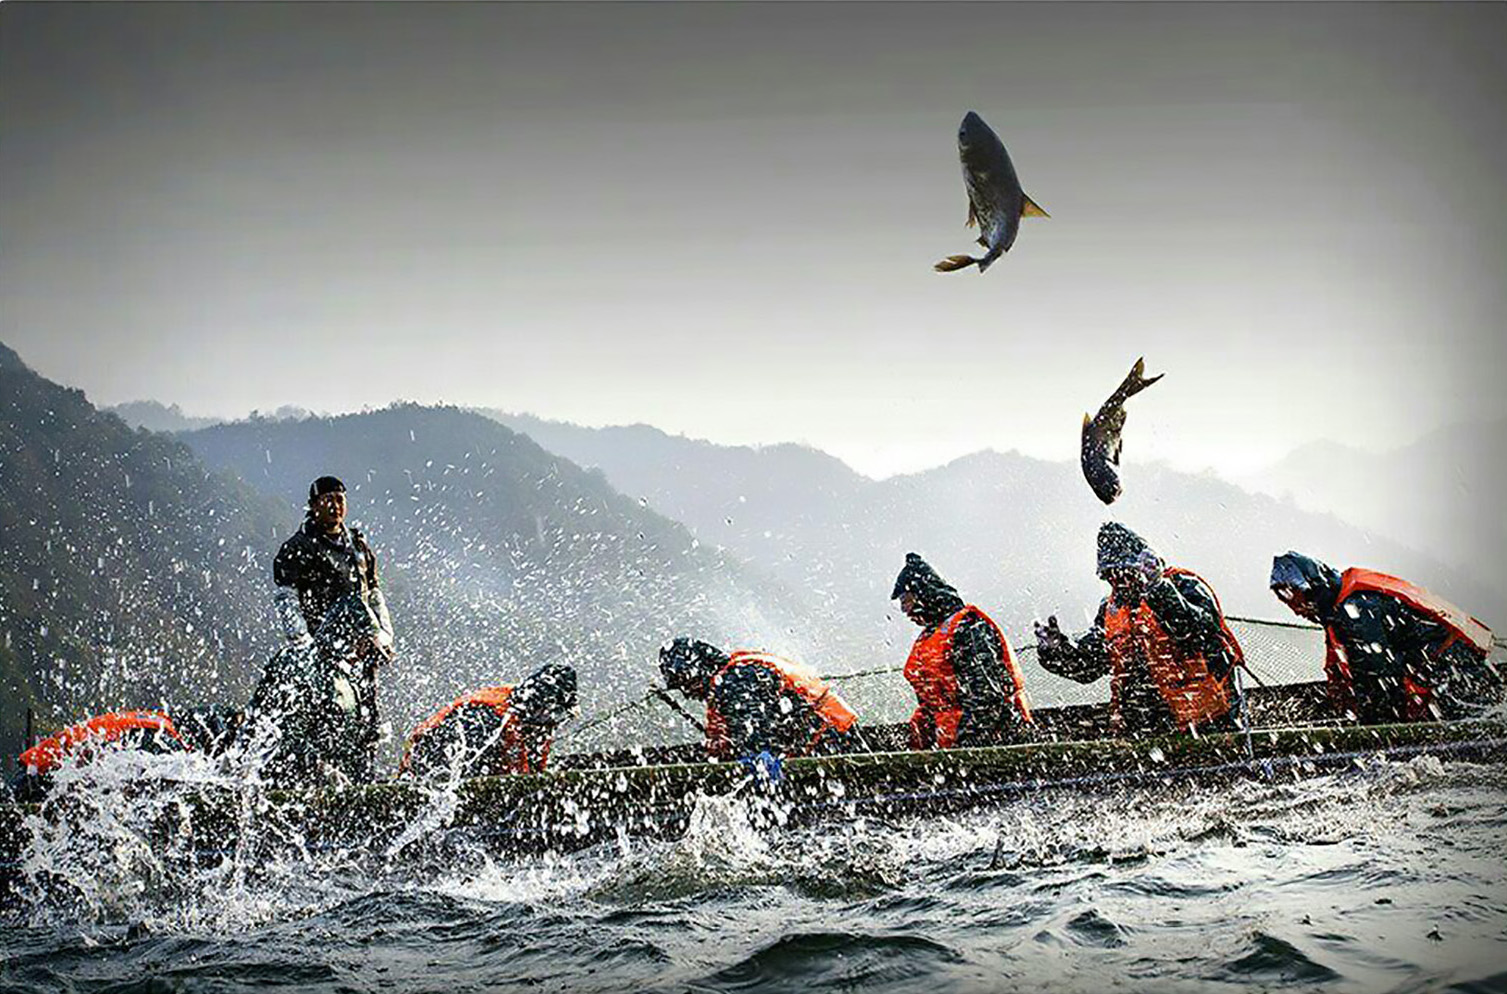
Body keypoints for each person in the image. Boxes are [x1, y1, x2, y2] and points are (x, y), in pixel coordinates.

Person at [1034, 523, 1245, 737]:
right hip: (1145, 731)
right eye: (1111, 577)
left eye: (1125, 574)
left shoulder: (1184, 586)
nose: (1120, 583)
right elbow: (1090, 666)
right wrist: (1058, 650)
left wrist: (1159, 589)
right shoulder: (1110, 611)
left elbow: (1199, 632)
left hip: (1211, 723)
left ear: (1142, 568)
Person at [1269, 552, 1499, 723]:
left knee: (1479, 731)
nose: (1296, 611)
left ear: (1314, 587)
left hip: (1457, 676)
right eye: (1287, 602)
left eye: (1296, 599)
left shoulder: (1357, 610)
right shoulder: (1343, 607)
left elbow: (1380, 677)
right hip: (1453, 673)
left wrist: (1373, 729)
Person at [270, 475, 393, 780]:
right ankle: (320, 776)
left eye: (340, 499)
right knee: (328, 714)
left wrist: (385, 635)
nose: (335, 506)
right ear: (313, 506)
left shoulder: (358, 546)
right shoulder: (299, 547)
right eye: (327, 500)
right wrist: (302, 644)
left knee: (367, 716)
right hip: (323, 647)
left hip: (362, 649)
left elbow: (373, 595)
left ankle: (363, 780)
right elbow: (286, 599)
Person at [243, 591, 389, 786]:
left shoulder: (347, 678)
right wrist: (321, 768)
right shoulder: (299, 667)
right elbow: (280, 737)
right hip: (286, 786)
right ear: (346, 637)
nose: (363, 655)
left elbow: (350, 744)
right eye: (362, 644)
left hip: (332, 788)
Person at [891, 553, 1032, 749]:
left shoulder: (968, 628)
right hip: (951, 743)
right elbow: (932, 705)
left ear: (924, 594)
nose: (905, 610)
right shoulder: (931, 635)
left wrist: (965, 750)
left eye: (906, 601)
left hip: (993, 744)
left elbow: (987, 698)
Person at [658, 638, 861, 761]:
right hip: (837, 737)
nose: (686, 693)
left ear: (699, 669)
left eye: (684, 682)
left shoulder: (735, 679)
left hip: (833, 742)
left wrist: (757, 755)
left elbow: (756, 726)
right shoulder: (737, 672)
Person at [11, 706, 241, 801]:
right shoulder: (160, 735)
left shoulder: (154, 721)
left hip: (38, 769)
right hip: (37, 779)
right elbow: (150, 781)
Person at [401, 664, 579, 779]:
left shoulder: (533, 721)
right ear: (538, 707)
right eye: (555, 714)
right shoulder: (484, 719)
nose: (555, 722)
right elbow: (457, 772)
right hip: (428, 775)